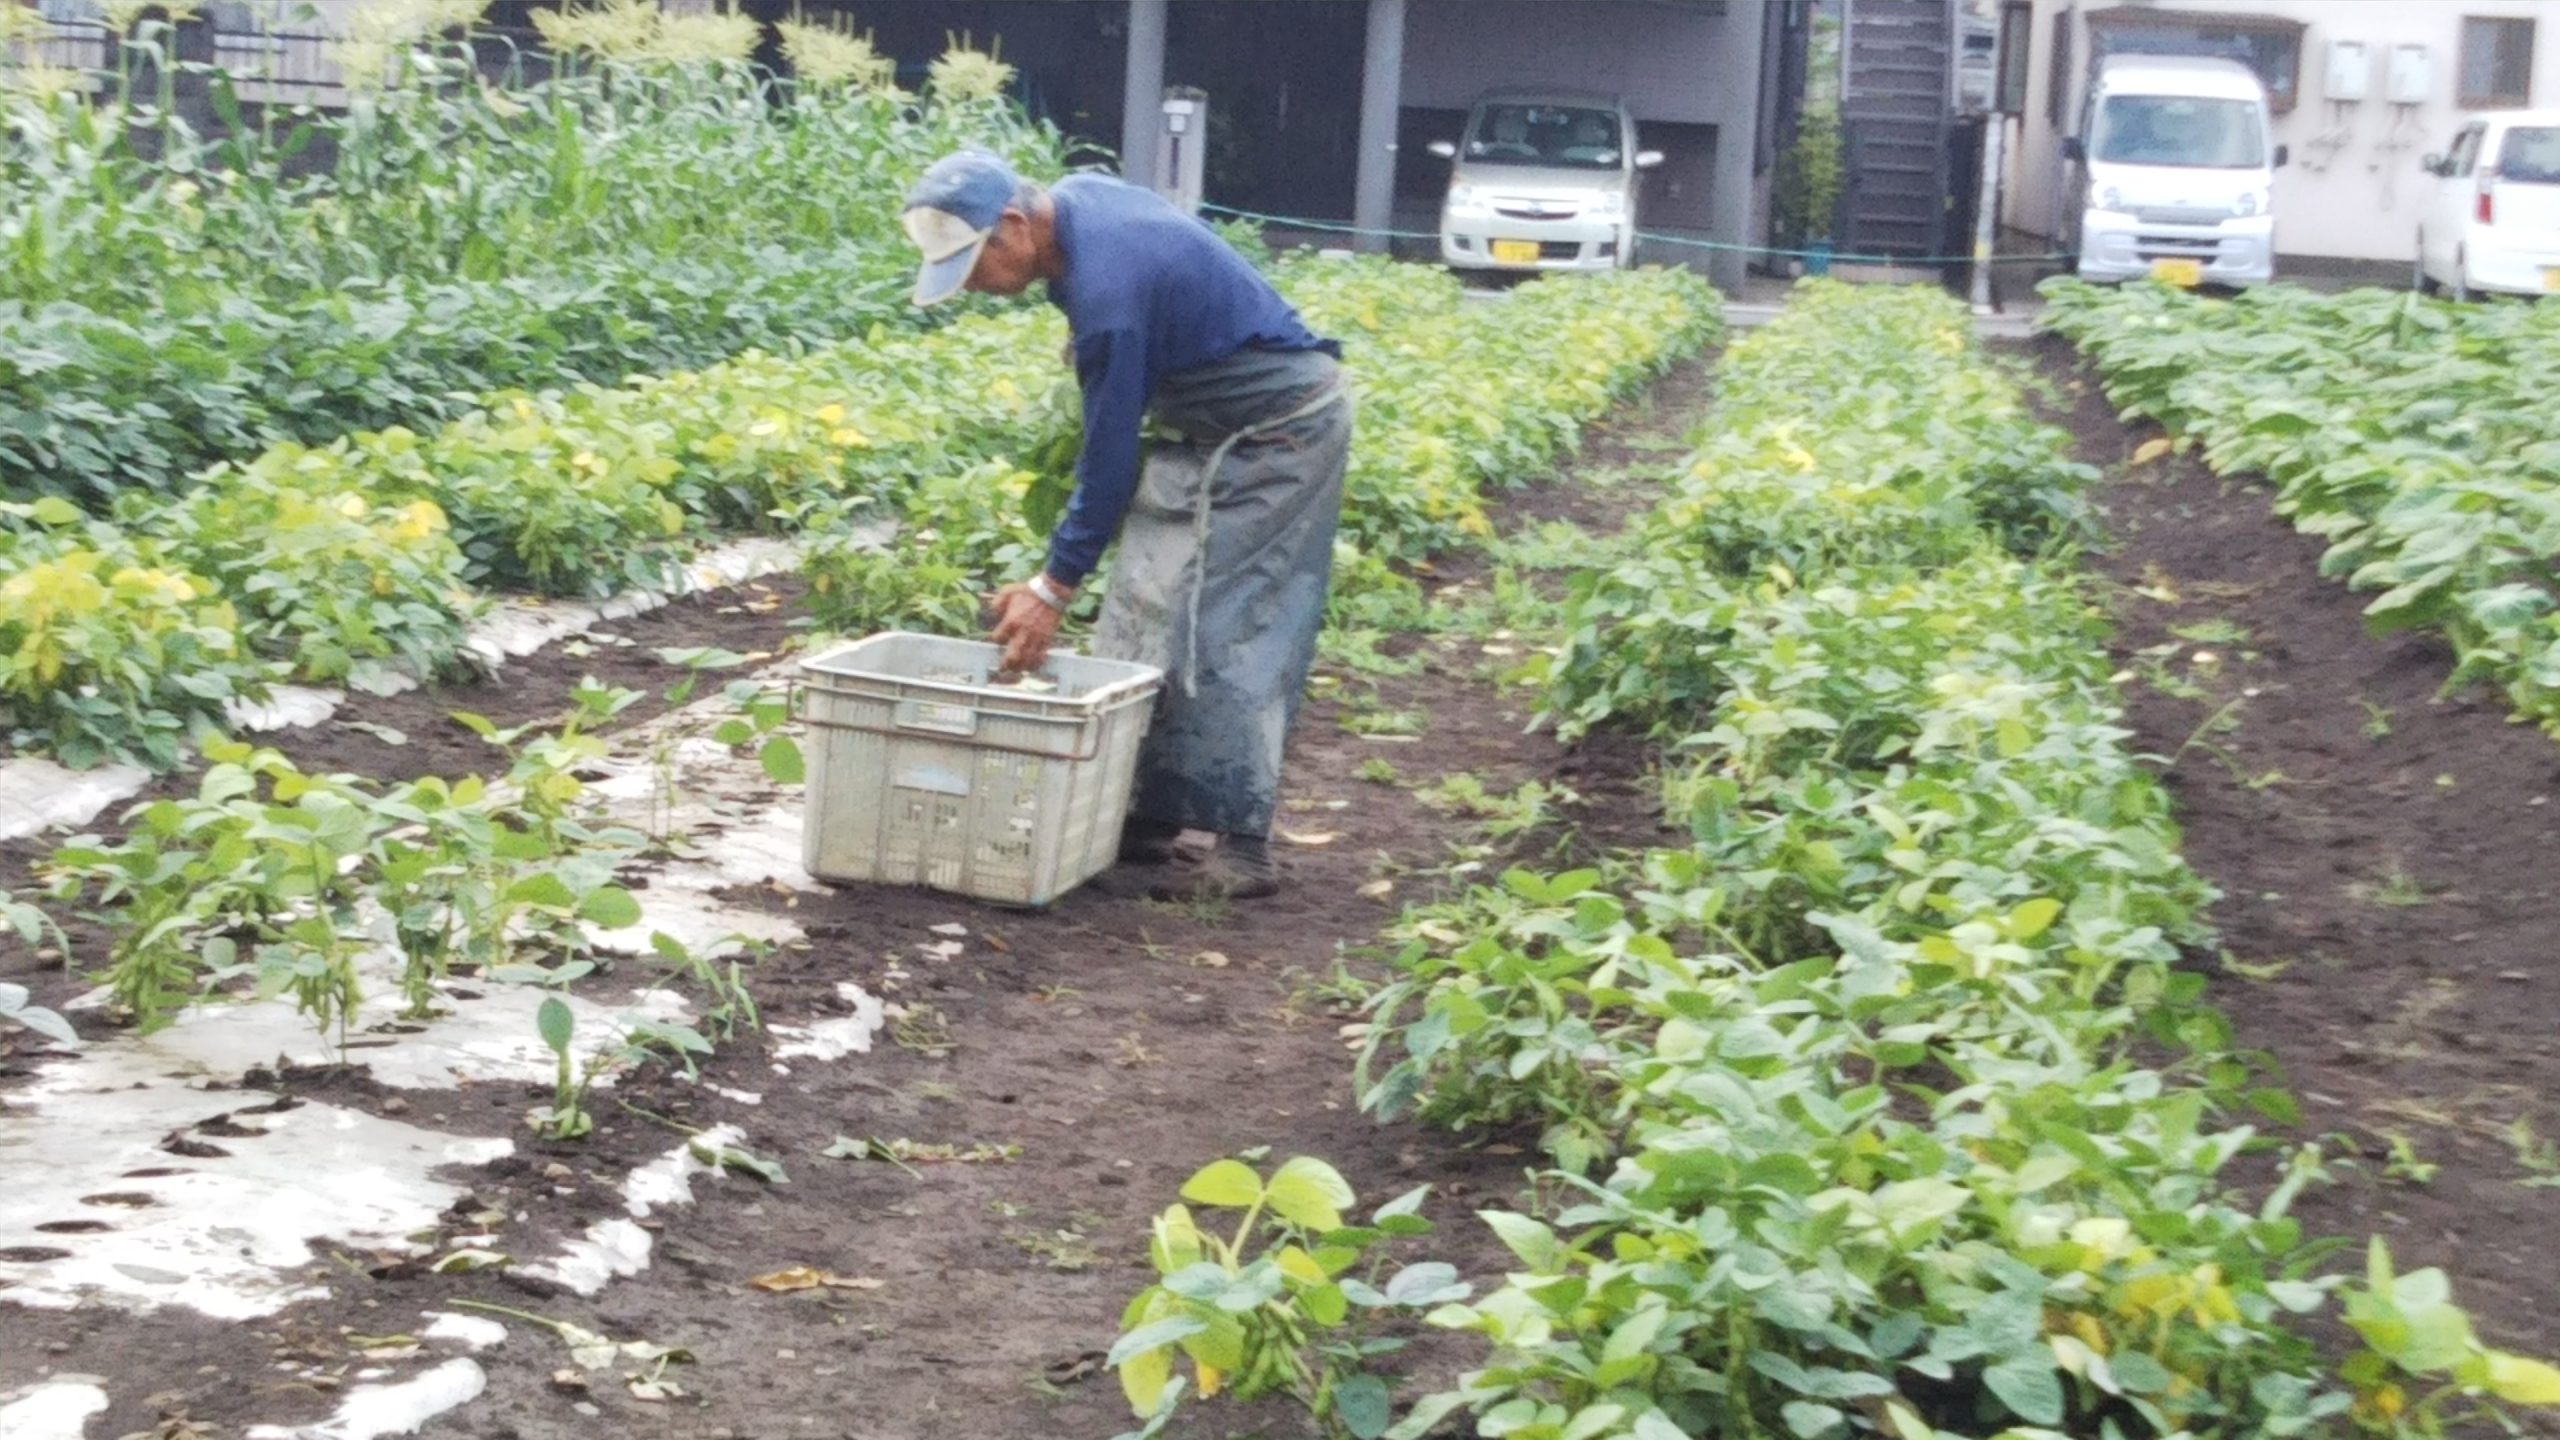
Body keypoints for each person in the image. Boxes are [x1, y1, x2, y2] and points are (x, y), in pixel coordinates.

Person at [899, 151, 1352, 900]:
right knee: (1144, 597)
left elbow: (1107, 463)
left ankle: (1243, 846)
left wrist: (1052, 588)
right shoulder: (1075, 204)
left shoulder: (1108, 298)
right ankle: (1149, 811)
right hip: (1207, 426)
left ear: (1014, 226)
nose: (972, 285)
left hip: (1281, 430)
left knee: (1230, 617)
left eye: (972, 264)